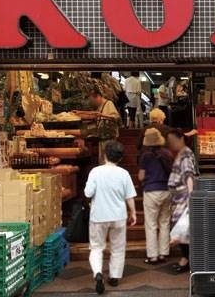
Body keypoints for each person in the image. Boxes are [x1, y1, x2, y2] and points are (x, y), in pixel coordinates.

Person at [84, 141, 137, 294]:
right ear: (120, 158)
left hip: (98, 216)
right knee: (118, 248)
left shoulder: (95, 172)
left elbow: (88, 193)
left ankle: (98, 273)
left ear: (105, 155)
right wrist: (133, 212)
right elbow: (129, 196)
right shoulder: (124, 173)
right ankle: (114, 277)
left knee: (96, 247)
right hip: (119, 216)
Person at [138, 128, 174, 265]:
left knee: (151, 224)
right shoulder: (167, 154)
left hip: (151, 191)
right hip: (166, 190)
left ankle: (153, 255)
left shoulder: (145, 156)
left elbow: (141, 176)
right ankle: (164, 253)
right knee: (165, 222)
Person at [167, 129, 197, 273]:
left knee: (182, 229)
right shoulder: (181, 153)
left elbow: (188, 175)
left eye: (173, 140)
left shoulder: (185, 154)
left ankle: (186, 259)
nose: (171, 143)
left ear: (181, 139)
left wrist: (190, 196)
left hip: (184, 197)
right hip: (179, 198)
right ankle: (187, 258)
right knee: (182, 230)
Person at [74, 89, 121, 164]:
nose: (93, 103)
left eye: (93, 100)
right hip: (103, 136)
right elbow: (95, 113)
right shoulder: (101, 106)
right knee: (103, 159)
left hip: (109, 136)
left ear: (98, 96)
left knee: (108, 159)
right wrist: (80, 112)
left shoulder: (109, 103)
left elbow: (116, 117)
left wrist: (102, 115)